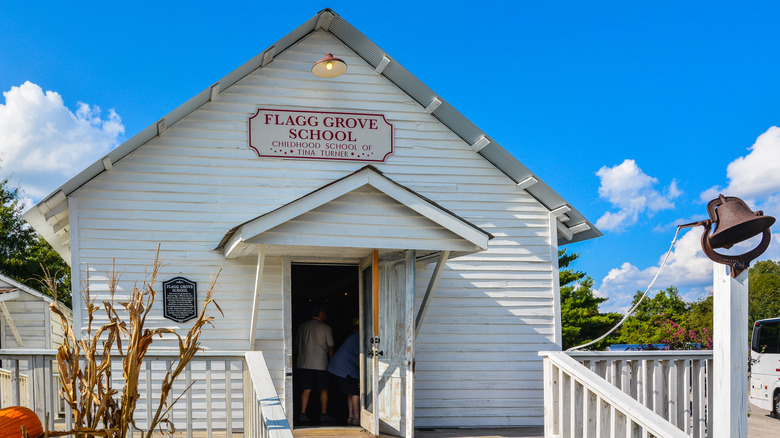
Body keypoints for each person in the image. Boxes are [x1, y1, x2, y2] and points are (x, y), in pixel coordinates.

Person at [295, 305, 335, 422]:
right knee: (324, 389)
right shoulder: (326, 328)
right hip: (321, 363)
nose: (326, 316)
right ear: (320, 314)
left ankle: (302, 413)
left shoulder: (302, 327)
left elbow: (296, 346)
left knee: (306, 389)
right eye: (324, 313)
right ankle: (323, 414)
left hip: (304, 363)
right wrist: (331, 363)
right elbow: (331, 348)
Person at [327, 331, 360, 425]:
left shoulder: (355, 336)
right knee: (356, 392)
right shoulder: (362, 337)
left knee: (351, 392)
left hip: (339, 365)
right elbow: (364, 357)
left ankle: (351, 417)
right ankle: (357, 418)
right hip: (346, 366)